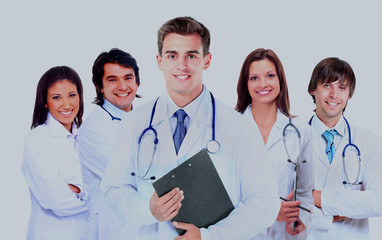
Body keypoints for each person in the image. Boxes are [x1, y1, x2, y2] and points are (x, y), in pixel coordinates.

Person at [101, 16, 280, 239]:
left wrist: (209, 236)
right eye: (172, 55)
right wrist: (148, 210)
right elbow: (113, 190)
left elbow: (265, 203)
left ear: (207, 60)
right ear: (159, 61)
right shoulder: (135, 123)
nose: (181, 65)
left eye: (192, 55)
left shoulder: (239, 128)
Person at [307, 57, 382, 240]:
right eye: (327, 85)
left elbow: (378, 203)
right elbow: (283, 203)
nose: (334, 95)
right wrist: (346, 207)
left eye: (342, 88)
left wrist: (318, 198)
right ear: (312, 89)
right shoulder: (292, 140)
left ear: (349, 94)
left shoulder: (369, 141)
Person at [235, 48, 313, 239]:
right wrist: (268, 213)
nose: (263, 84)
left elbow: (305, 191)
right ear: (245, 84)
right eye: (254, 78)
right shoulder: (229, 130)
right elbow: (222, 194)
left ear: (280, 81)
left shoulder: (301, 132)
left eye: (270, 75)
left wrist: (300, 218)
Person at [79, 48, 141, 239]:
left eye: (128, 78)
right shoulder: (95, 128)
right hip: (113, 229)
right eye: (113, 79)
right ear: (100, 87)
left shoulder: (144, 120)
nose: (123, 86)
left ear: (137, 83)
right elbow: (132, 174)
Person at [21, 66, 88, 240]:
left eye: (72, 95)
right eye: (56, 97)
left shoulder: (88, 136)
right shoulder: (38, 139)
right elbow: (56, 201)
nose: (66, 104)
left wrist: (76, 188)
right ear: (45, 101)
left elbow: (108, 185)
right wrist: (92, 192)